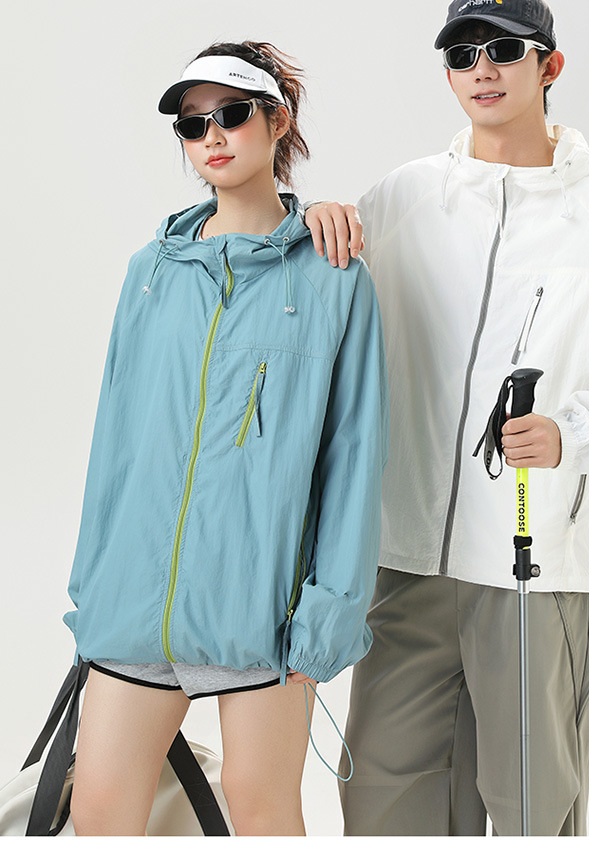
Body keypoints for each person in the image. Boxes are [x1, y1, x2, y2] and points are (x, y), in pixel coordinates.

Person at [302, 0, 589, 836]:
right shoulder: (402, 197)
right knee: (382, 801)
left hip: (534, 563)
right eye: (462, 54)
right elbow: (324, 311)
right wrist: (317, 217)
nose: (481, 69)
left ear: (548, 66)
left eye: (503, 50)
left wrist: (575, 432)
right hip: (407, 562)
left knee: (533, 811)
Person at [63, 41, 389, 836]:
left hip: (263, 608)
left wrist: (329, 615)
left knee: (261, 807)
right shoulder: (151, 271)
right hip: (138, 599)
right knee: (99, 806)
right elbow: (115, 441)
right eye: (192, 123)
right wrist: (93, 588)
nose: (211, 135)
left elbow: (354, 457)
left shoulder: (333, 276)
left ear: (277, 121)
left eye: (232, 114)